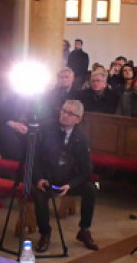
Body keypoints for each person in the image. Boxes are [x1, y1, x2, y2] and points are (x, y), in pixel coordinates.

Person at [32, 100, 99, 253]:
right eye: (63, 111)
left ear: (78, 119)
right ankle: (45, 233)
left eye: (70, 113)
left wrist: (71, 185)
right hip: (46, 178)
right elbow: (34, 158)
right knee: (39, 195)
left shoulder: (80, 138)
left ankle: (84, 230)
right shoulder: (46, 129)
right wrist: (39, 178)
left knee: (90, 189)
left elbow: (86, 169)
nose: (64, 115)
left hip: (67, 180)